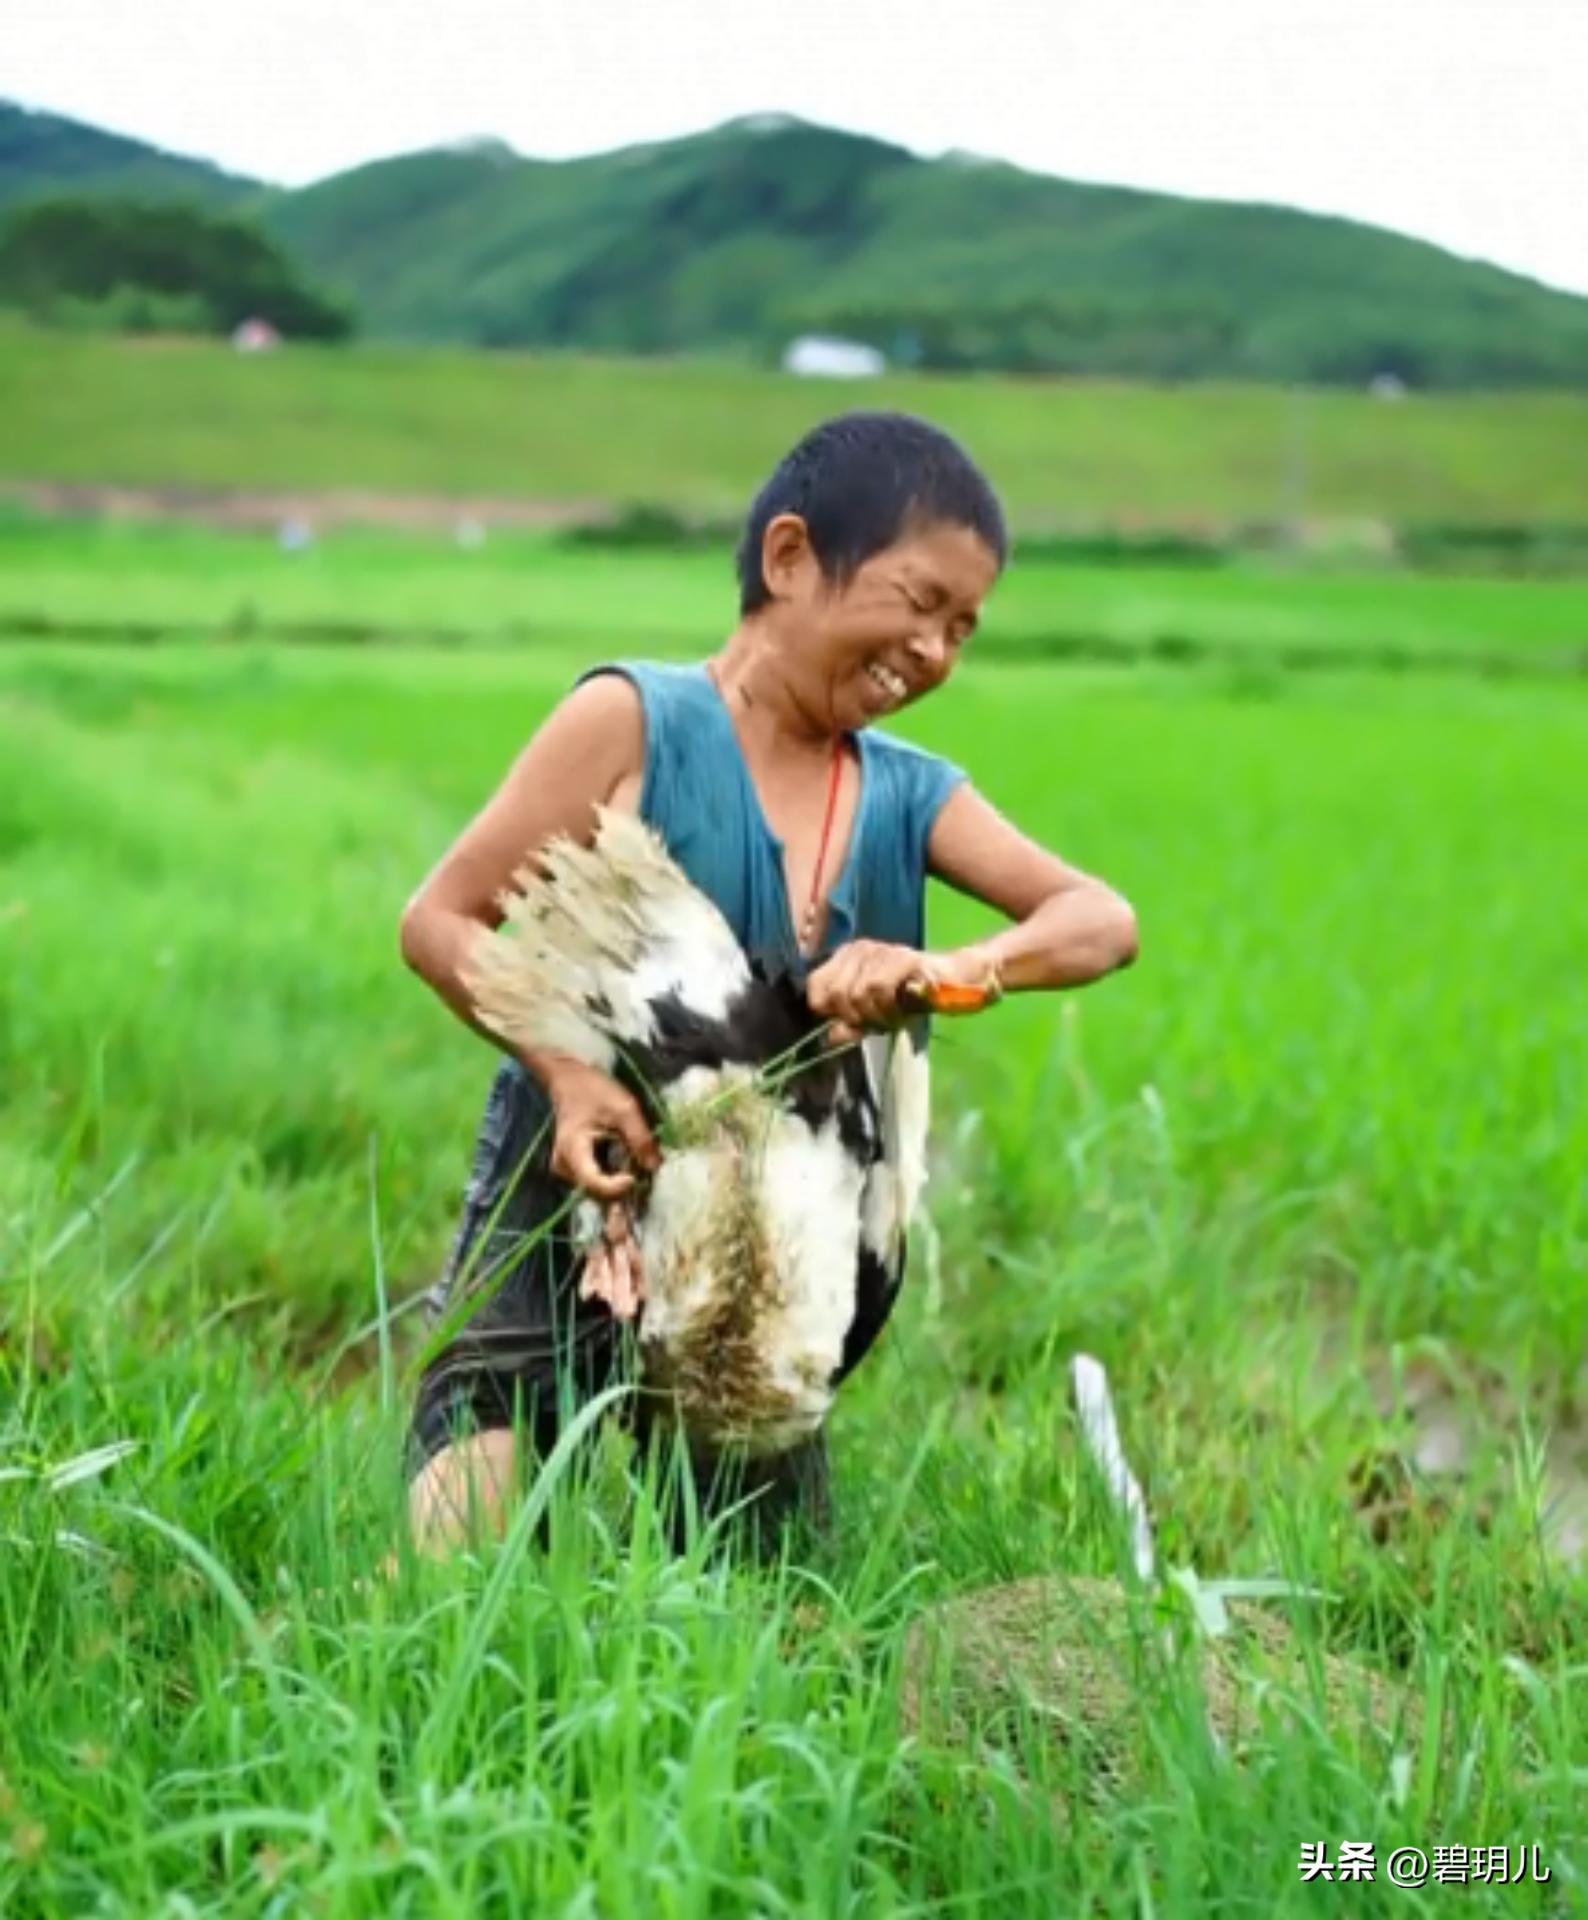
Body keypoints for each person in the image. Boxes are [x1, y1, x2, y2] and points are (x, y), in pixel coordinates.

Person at [398, 411, 1139, 1554]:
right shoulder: (634, 721)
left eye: (964, 627)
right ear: (790, 557)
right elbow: (442, 919)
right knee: (461, 1558)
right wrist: (564, 1073)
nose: (936, 649)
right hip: (576, 1175)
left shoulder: (910, 792)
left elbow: (1100, 919)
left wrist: (946, 970)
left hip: (776, 1241)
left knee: (751, 1595)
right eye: (917, 599)